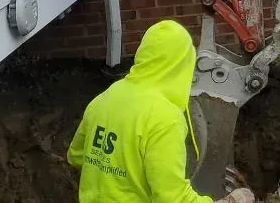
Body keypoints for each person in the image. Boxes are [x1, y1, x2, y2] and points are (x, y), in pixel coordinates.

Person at [67, 19, 256, 203]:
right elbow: (171, 199)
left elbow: (75, 156)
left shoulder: (105, 98)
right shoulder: (165, 119)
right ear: (184, 64)